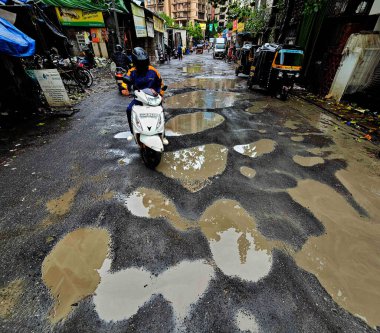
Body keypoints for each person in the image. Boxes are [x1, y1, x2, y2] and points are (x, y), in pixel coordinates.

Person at [123, 47, 165, 133]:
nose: (143, 65)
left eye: (144, 62)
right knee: (129, 110)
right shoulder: (132, 72)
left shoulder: (153, 71)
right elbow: (125, 82)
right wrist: (124, 89)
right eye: (140, 63)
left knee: (161, 112)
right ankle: (133, 131)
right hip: (139, 98)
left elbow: (161, 83)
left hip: (153, 98)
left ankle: (162, 133)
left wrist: (161, 94)